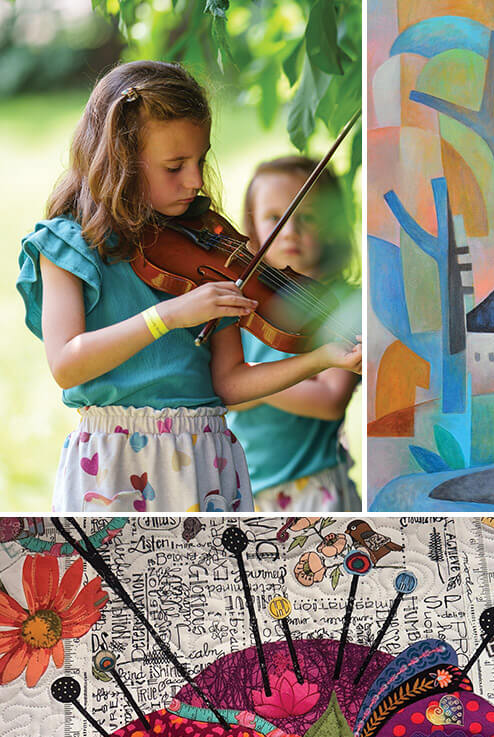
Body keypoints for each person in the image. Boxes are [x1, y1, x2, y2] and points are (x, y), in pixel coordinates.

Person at [16, 60, 362, 512]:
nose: (196, 181)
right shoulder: (67, 246)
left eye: (200, 160)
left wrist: (321, 358)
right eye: (175, 166)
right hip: (114, 466)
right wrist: (169, 316)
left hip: (204, 461)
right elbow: (66, 364)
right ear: (120, 161)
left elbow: (229, 383)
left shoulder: (207, 250)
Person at [228, 156, 362, 511]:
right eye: (275, 217)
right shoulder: (242, 301)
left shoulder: (346, 304)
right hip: (243, 487)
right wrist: (241, 385)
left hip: (313, 489)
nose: (289, 230)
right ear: (252, 227)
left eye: (307, 217)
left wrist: (251, 381)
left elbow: (329, 400)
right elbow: (222, 395)